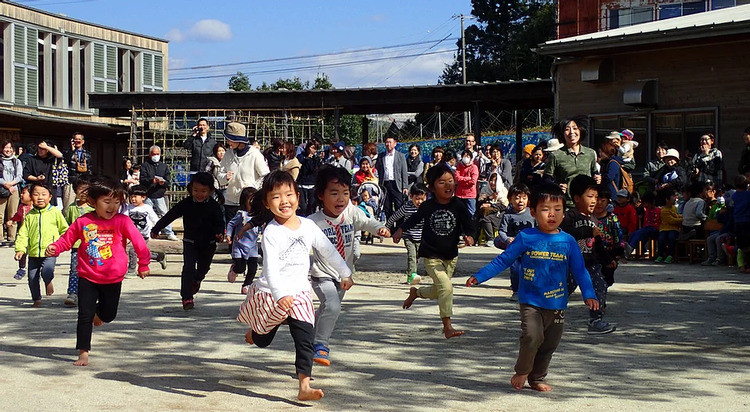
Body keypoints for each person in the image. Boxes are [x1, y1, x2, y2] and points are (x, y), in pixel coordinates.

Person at [466, 183, 599, 392]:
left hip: (557, 303)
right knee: (532, 337)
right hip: (530, 301)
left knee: (549, 344)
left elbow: (580, 271)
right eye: (546, 209)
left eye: (558, 210)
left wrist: (589, 294)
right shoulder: (526, 237)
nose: (552, 215)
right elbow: (503, 260)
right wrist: (480, 276)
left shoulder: (568, 241)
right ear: (533, 212)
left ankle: (537, 378)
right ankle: (522, 371)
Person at [237, 170, 351, 401]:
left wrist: (345, 272)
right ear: (267, 204)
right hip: (272, 294)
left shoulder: (308, 226)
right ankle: (255, 332)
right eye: (276, 197)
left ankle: (304, 386)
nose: (284, 201)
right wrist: (280, 295)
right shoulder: (271, 232)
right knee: (262, 340)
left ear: (298, 197)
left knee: (305, 340)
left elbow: (328, 250)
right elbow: (270, 269)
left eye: (288, 195)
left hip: (299, 295)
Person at [46, 176, 150, 366]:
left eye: (117, 203)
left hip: (113, 278)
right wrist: (55, 247)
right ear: (94, 202)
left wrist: (144, 264)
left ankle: (98, 314)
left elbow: (139, 243)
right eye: (107, 202)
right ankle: (83, 351)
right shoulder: (83, 221)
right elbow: (67, 240)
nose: (112, 207)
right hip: (87, 275)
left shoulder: (122, 221)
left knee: (108, 315)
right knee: (84, 315)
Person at [308, 166, 389, 366]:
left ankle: (310, 328)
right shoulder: (312, 222)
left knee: (329, 309)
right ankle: (321, 345)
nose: (341, 199)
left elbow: (367, 222)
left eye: (345, 193)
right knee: (333, 306)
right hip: (322, 274)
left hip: (345, 275)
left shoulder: (351, 212)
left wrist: (380, 229)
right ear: (321, 195)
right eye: (334, 193)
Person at [395, 164, 474, 339]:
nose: (448, 185)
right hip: (431, 255)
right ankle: (447, 326)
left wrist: (470, 236)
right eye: (442, 182)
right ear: (431, 187)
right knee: (446, 287)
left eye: (451, 181)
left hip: (451, 256)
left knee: (439, 290)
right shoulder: (428, 206)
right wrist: (400, 230)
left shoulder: (458, 205)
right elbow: (413, 220)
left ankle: (417, 292)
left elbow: (469, 225)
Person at [151, 172, 224, 310]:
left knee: (203, 268)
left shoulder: (214, 206)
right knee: (188, 268)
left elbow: (220, 222)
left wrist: (219, 233)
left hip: (208, 243)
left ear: (210, 191)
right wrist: (156, 229)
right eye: (196, 190)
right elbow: (170, 216)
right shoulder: (186, 203)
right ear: (190, 189)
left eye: (203, 191)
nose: (199, 194)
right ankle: (187, 298)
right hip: (190, 241)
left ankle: (197, 279)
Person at [561, 175, 616, 334]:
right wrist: (587, 231)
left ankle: (596, 319)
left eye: (596, 197)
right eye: (590, 196)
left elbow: (598, 244)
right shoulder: (570, 216)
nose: (594, 201)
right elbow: (566, 234)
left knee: (599, 286)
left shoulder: (594, 219)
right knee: (563, 290)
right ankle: (549, 315)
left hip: (591, 264)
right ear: (577, 198)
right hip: (571, 264)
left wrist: (607, 259)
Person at [13, 182, 68, 307]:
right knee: (32, 277)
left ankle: (48, 281)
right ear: (31, 197)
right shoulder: (29, 215)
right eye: (36, 194)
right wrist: (20, 249)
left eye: (44, 194)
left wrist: (59, 244)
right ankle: (36, 299)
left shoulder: (55, 212)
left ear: (50, 197)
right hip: (33, 252)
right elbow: (23, 234)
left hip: (50, 251)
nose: (40, 197)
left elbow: (65, 230)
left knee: (47, 271)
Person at [219, 122, 270, 223]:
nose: (228, 142)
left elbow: (265, 175)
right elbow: (219, 174)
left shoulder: (254, 154)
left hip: (249, 203)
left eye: (230, 139)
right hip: (231, 201)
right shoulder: (228, 155)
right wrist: (225, 177)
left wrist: (253, 187)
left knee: (248, 233)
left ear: (238, 140)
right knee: (232, 233)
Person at [544, 118, 600, 205]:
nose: (571, 132)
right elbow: (547, 180)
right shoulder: (556, 155)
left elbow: (594, 173)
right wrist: (557, 187)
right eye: (567, 129)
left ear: (580, 130)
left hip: (586, 204)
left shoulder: (590, 153)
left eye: (575, 128)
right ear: (562, 134)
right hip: (566, 205)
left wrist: (598, 178)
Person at [494, 183, 535, 301]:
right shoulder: (508, 216)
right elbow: (501, 232)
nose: (520, 201)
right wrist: (507, 239)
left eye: (524, 198)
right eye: (517, 198)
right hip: (514, 248)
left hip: (530, 247)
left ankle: (530, 290)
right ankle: (516, 290)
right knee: (516, 269)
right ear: (510, 199)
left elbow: (538, 227)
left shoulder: (532, 213)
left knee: (531, 269)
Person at [386, 182, 428, 285]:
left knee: (418, 256)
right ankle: (411, 276)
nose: (419, 202)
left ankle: (419, 273)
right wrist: (386, 228)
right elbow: (395, 217)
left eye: (422, 199)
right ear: (411, 197)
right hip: (409, 236)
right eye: (417, 199)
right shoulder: (406, 207)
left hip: (422, 237)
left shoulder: (427, 208)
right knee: (412, 256)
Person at [62, 176, 94, 307]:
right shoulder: (71, 208)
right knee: (75, 269)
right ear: (76, 191)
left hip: (92, 246)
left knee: (92, 269)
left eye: (87, 189)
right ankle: (73, 293)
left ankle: (92, 294)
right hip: (76, 246)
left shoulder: (94, 208)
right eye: (81, 189)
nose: (84, 192)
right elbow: (67, 226)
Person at [124, 185, 167, 277]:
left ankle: (131, 271)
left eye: (135, 197)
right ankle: (158, 256)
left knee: (133, 251)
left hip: (144, 234)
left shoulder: (147, 208)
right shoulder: (128, 208)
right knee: (139, 251)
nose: (133, 199)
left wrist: (157, 229)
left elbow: (154, 218)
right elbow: (123, 219)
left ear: (143, 197)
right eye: (131, 197)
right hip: (133, 235)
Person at [226, 187, 261, 295]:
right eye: (250, 200)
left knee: (253, 267)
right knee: (241, 267)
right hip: (239, 246)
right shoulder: (241, 214)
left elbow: (263, 226)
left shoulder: (259, 215)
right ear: (244, 201)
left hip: (252, 246)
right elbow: (231, 224)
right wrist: (228, 235)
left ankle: (247, 284)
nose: (252, 203)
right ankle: (235, 269)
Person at [139, 145, 178, 241]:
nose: (156, 156)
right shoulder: (145, 166)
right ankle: (147, 232)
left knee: (165, 214)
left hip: (159, 194)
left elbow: (169, 181)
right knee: (146, 214)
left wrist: (163, 182)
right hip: (148, 194)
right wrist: (151, 181)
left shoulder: (163, 166)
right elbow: (142, 179)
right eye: (154, 154)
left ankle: (169, 232)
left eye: (157, 154)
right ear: (150, 154)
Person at [593, 186, 626, 287]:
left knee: (607, 276)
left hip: (609, 253)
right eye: (596, 200)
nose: (599, 204)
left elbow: (618, 235)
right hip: (593, 253)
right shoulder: (588, 218)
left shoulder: (612, 218)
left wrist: (619, 251)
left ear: (608, 202)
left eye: (602, 201)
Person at [375, 136, 408, 219]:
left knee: (399, 206)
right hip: (385, 184)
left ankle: (399, 227)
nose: (388, 144)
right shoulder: (381, 156)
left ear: (395, 144)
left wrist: (405, 186)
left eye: (390, 142)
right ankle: (390, 228)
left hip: (397, 184)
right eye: (386, 142)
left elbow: (404, 172)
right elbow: (378, 170)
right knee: (387, 207)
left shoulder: (400, 156)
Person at [62, 133, 94, 213]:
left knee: (83, 204)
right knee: (68, 205)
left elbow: (90, 169)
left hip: (83, 182)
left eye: (79, 139)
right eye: (75, 139)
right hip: (71, 181)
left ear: (83, 141)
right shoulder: (68, 152)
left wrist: (89, 182)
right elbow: (66, 160)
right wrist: (72, 149)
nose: (77, 141)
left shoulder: (87, 154)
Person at [0, 141, 23, 246]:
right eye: (5, 147)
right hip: (2, 189)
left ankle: (11, 238)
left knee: (12, 215)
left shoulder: (17, 161)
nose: (8, 150)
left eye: (10, 148)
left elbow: (19, 176)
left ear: (13, 149)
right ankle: (0, 238)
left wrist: (11, 185)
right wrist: (6, 184)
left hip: (14, 190)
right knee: (0, 215)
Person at [626, 192, 660, 258]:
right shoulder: (646, 211)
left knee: (641, 232)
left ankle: (631, 247)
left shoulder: (658, 210)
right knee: (635, 233)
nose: (645, 205)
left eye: (647, 203)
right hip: (647, 229)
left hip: (655, 229)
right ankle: (628, 246)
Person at [9, 186, 32, 280]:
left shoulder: (36, 207)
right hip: (23, 235)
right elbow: (18, 216)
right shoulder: (21, 207)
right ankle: (22, 268)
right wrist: (12, 220)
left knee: (34, 255)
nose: (21, 195)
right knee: (22, 252)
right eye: (21, 193)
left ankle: (35, 270)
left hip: (34, 235)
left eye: (24, 193)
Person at [656, 189, 682, 264]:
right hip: (664, 228)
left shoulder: (674, 208)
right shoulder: (663, 210)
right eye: (673, 196)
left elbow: (676, 216)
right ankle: (660, 254)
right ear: (667, 199)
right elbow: (672, 220)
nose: (675, 198)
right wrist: (683, 219)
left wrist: (682, 216)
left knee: (672, 237)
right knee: (661, 238)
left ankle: (671, 255)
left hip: (673, 229)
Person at [297, 140, 323, 216]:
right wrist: (307, 159)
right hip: (302, 184)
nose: (313, 150)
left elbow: (316, 169)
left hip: (312, 184)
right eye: (312, 147)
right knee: (303, 206)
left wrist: (318, 160)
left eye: (315, 148)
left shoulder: (316, 158)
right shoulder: (301, 156)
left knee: (312, 206)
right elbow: (303, 169)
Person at [456, 149, 479, 217]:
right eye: (464, 156)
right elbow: (457, 178)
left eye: (468, 156)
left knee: (471, 214)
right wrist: (467, 178)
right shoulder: (459, 166)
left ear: (471, 158)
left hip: (470, 195)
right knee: (459, 214)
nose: (466, 158)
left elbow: (473, 181)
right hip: (459, 194)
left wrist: (462, 180)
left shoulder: (474, 167)